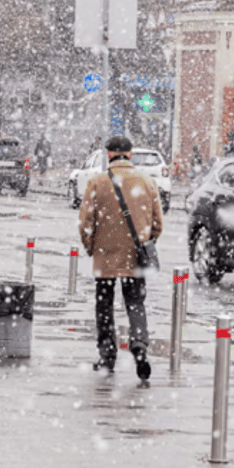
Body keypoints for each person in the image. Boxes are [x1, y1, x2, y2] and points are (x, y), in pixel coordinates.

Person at [78, 135, 164, 381]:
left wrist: (91, 246)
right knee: (135, 303)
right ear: (131, 155)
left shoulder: (97, 182)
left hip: (105, 256)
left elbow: (86, 222)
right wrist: (146, 242)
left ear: (108, 154)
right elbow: (158, 222)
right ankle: (139, 345)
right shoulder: (147, 182)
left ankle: (107, 355)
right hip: (135, 256)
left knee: (104, 305)